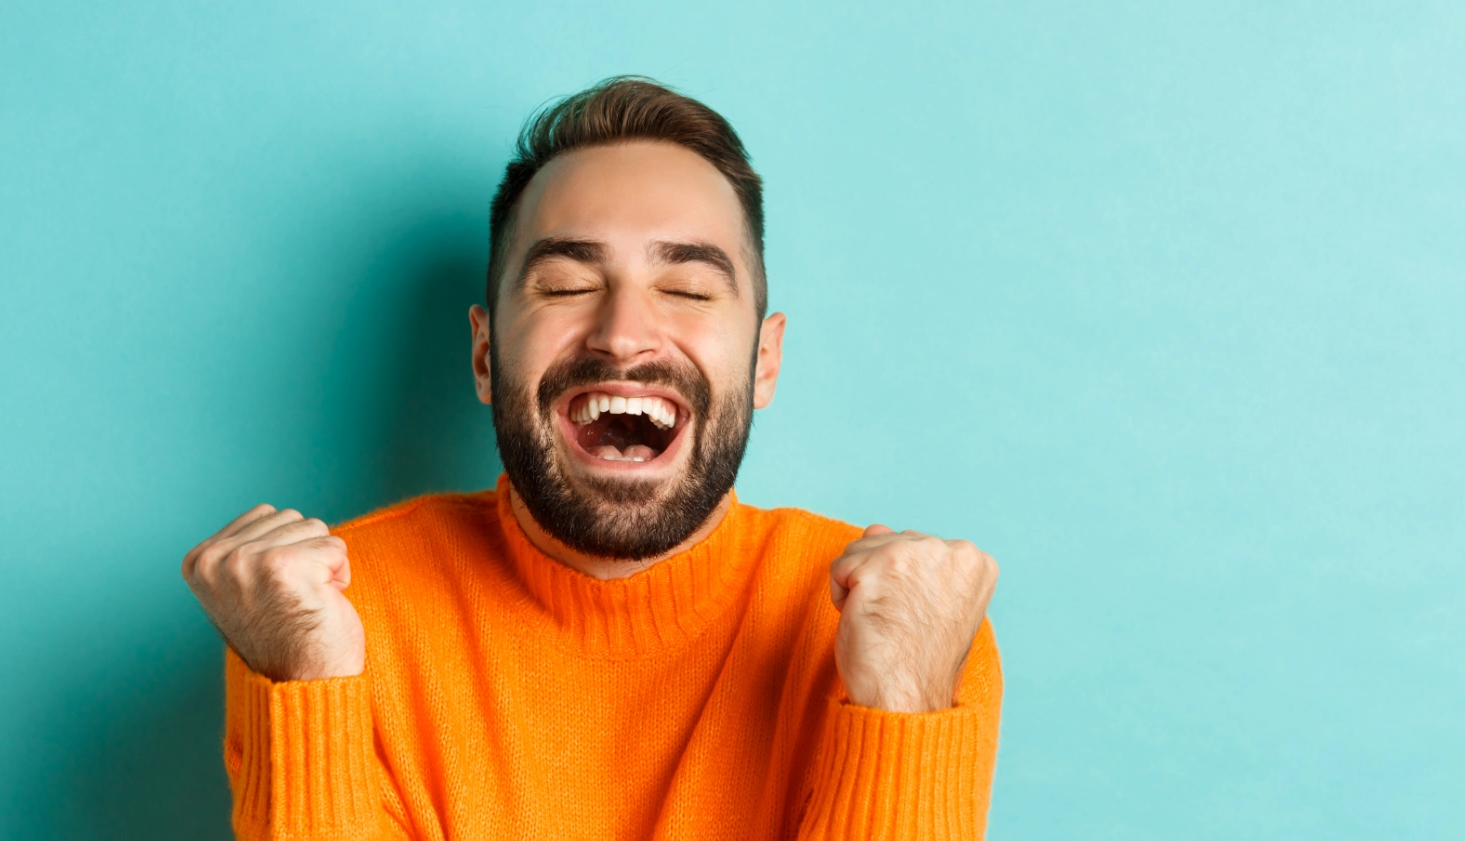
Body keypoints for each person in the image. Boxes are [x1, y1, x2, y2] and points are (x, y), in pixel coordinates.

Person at [181, 76, 1002, 840]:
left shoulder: (906, 627)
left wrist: (902, 709)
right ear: (484, 354)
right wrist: (311, 686)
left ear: (763, 361)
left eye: (686, 288)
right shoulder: (330, 618)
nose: (621, 332)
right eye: (567, 284)